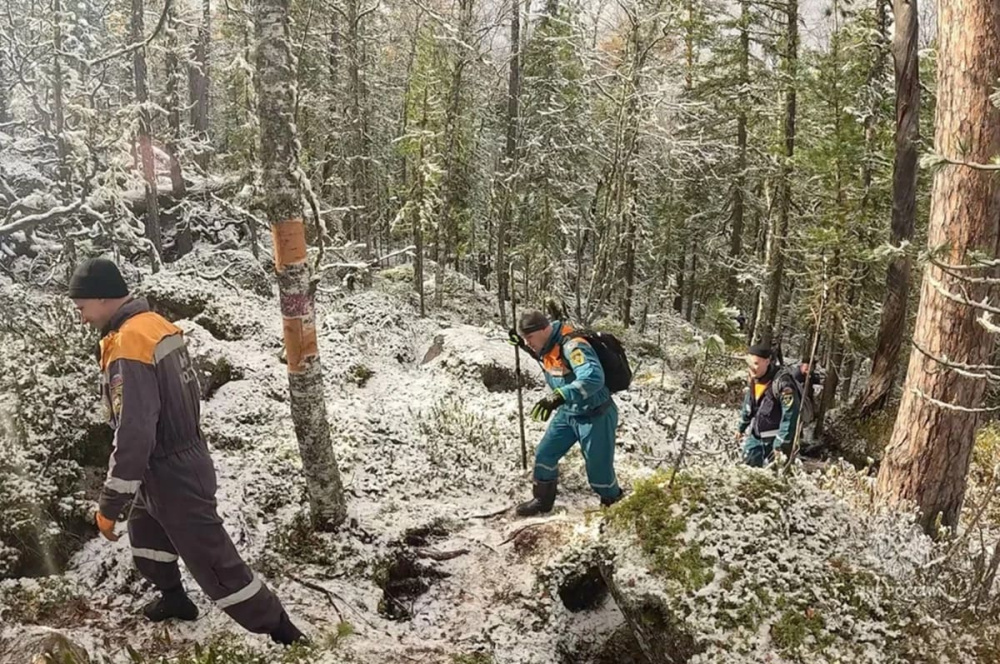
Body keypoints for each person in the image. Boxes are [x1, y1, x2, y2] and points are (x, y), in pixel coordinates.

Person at [68, 257, 305, 645]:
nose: (81, 319)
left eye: (81, 308)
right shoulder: (154, 325)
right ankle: (175, 599)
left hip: (170, 471)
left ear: (100, 296)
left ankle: (282, 629)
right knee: (146, 535)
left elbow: (135, 432)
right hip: (168, 462)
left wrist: (109, 505)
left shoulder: (130, 342)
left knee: (215, 562)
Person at [507, 311, 623, 516]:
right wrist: (524, 346)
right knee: (545, 453)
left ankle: (613, 504)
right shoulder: (547, 344)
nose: (529, 342)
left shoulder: (573, 346)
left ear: (544, 329)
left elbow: (594, 378)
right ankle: (542, 501)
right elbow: (545, 357)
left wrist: (559, 395)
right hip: (568, 412)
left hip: (596, 414)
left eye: (530, 337)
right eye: (526, 339)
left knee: (599, 470)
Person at [734, 343, 800, 467]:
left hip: (775, 441)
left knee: (774, 479)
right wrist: (741, 427)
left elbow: (790, 415)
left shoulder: (782, 383)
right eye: (749, 363)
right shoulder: (754, 379)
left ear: (767, 361)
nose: (752, 368)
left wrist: (781, 442)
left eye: (756, 363)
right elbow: (749, 404)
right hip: (756, 437)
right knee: (746, 472)